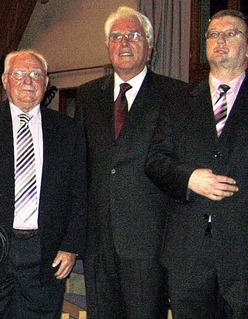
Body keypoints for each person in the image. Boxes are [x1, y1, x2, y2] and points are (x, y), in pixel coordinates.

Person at [74, 6, 187, 318]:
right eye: (116, 37)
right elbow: (81, 168)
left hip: (149, 240)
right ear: (108, 46)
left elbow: (179, 167)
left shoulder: (176, 95)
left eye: (133, 36)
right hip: (98, 242)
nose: (123, 42)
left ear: (149, 46)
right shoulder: (87, 96)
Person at [0, 49, 87, 319]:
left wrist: (71, 245)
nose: (27, 81)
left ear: (46, 81)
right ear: (6, 80)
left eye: (35, 75)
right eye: (19, 74)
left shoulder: (68, 129)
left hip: (46, 254)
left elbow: (79, 191)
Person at [145, 9, 248, 318]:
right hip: (188, 253)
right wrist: (189, 179)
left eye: (231, 33)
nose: (221, 40)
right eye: (214, 34)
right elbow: (155, 161)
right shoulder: (177, 101)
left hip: (242, 250)